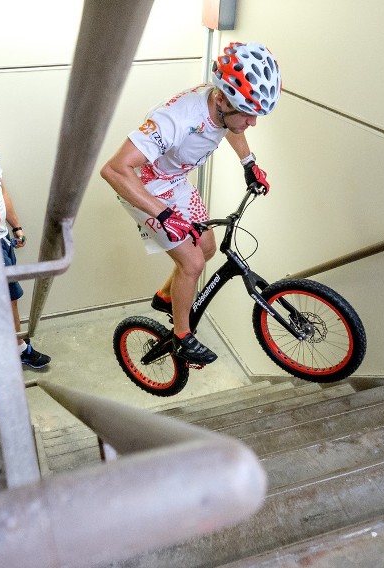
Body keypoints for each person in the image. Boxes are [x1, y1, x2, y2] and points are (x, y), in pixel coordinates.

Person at [100, 42, 281, 366]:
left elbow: (231, 125)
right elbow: (113, 170)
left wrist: (249, 163)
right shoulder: (177, 118)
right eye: (248, 112)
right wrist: (163, 213)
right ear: (222, 99)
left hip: (175, 181)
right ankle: (182, 337)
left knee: (207, 247)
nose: (252, 122)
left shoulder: (223, 108)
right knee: (193, 264)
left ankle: (166, 298)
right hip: (146, 187)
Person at [0, 93, 51, 369]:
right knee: (8, 296)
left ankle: (11, 346)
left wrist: (16, 225)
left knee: (8, 295)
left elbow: (1, 188)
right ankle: (17, 348)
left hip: (1, 239)